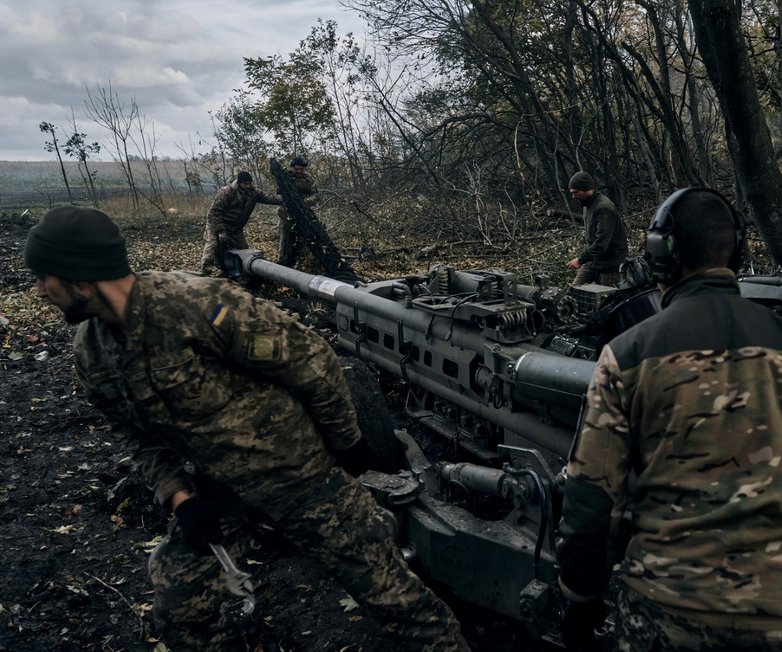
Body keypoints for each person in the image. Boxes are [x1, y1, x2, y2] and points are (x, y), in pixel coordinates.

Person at [25, 206, 471, 652]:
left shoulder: (199, 307)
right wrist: (180, 499)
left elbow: (311, 362)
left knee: (399, 604)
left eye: (45, 278)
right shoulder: (92, 351)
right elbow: (134, 434)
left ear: (81, 277)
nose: (39, 290)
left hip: (303, 481)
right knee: (182, 612)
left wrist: (347, 443)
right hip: (217, 495)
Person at [556, 187, 782, 652]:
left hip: (667, 614)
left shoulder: (628, 355)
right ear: (737, 252)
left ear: (660, 256)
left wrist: (581, 603)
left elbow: (591, 503)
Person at [200, 170, 283, 276]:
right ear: (239, 183)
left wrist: (286, 200)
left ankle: (237, 271)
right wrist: (221, 231)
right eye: (245, 184)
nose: (248, 186)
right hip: (216, 224)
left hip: (235, 227)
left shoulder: (254, 193)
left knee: (244, 250)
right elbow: (214, 213)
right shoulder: (226, 192)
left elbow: (270, 198)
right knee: (212, 245)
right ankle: (205, 271)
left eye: (250, 183)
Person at [565, 171, 628, 286]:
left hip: (611, 266)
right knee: (575, 292)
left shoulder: (603, 207)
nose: (573, 196)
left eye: (576, 193)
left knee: (604, 301)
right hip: (595, 261)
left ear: (586, 189)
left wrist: (580, 260)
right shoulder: (588, 205)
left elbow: (601, 244)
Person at [277, 156, 319, 267]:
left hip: (303, 215)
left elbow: (315, 196)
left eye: (301, 169)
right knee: (285, 240)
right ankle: (281, 264)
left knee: (301, 240)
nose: (299, 171)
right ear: (292, 167)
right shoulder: (284, 178)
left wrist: (304, 202)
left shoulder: (308, 179)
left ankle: (298, 264)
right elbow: (279, 195)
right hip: (286, 214)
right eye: (296, 169)